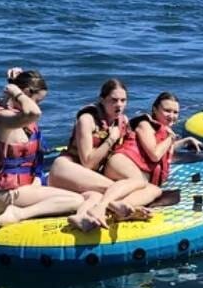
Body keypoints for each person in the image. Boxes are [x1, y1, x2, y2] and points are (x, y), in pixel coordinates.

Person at [0, 67, 107, 231]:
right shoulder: (3, 119)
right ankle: (18, 214)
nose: (38, 105)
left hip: (28, 185)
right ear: (25, 94)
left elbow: (22, 104)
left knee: (93, 194)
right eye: (37, 100)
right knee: (76, 200)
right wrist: (17, 92)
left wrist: (14, 86)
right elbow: (33, 113)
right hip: (2, 196)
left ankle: (81, 216)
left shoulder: (17, 109)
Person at [48, 79, 161, 228]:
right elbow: (87, 163)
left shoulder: (122, 121)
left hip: (92, 179)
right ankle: (111, 207)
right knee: (126, 186)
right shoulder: (87, 120)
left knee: (153, 190)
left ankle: (99, 211)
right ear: (102, 100)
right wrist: (111, 138)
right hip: (67, 170)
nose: (119, 105)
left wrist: (174, 142)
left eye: (123, 100)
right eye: (113, 100)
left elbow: (135, 147)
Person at [105, 92, 203, 185]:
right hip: (121, 165)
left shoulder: (163, 130)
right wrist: (171, 137)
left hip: (133, 171)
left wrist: (186, 140)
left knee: (152, 192)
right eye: (167, 111)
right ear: (155, 109)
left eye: (175, 112)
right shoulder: (145, 125)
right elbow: (155, 155)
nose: (172, 116)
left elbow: (163, 148)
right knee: (150, 192)